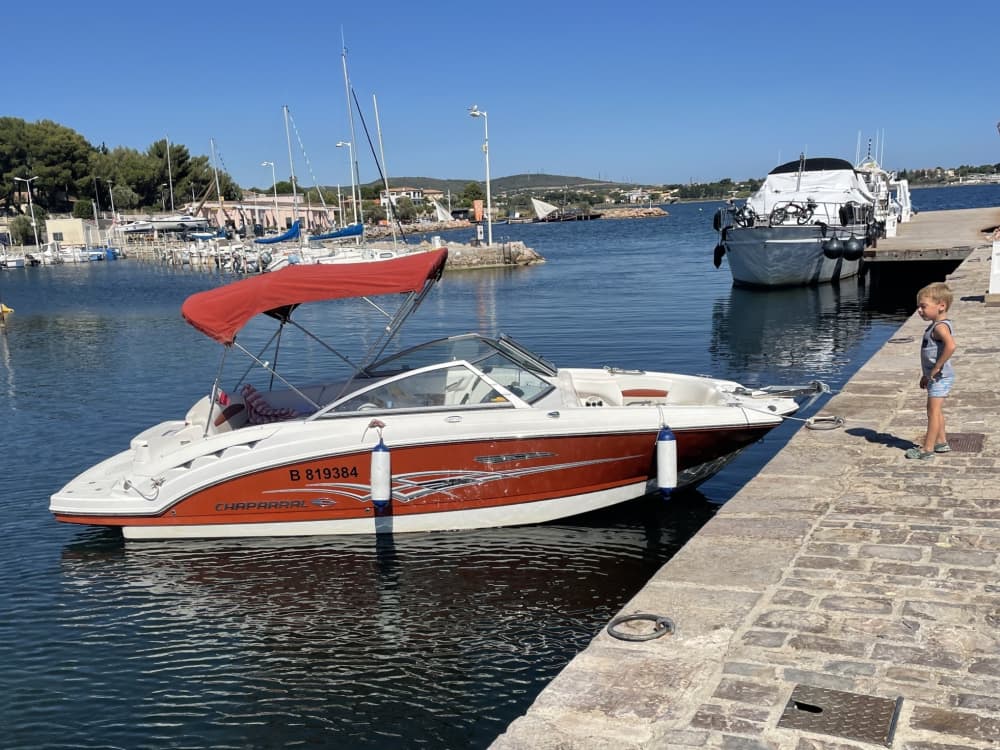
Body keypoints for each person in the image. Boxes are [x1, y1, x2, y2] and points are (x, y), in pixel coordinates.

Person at [906, 282, 957, 460]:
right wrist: (926, 375)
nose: (919, 310)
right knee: (935, 410)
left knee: (932, 412)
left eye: (923, 306)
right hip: (935, 377)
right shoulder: (935, 326)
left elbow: (951, 346)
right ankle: (941, 442)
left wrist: (937, 367)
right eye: (919, 307)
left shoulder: (940, 327)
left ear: (941, 306)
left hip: (941, 377)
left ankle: (927, 449)